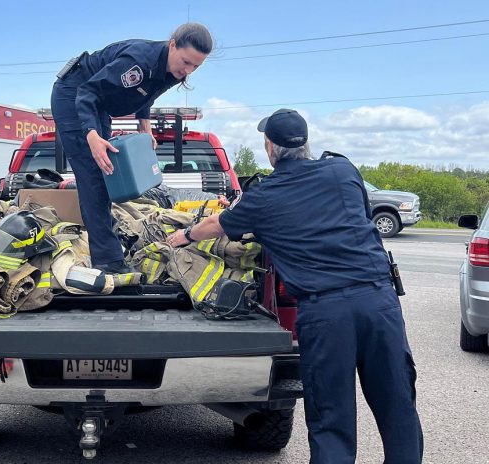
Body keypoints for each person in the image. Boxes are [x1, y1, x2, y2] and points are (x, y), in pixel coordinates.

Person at [166, 109, 423, 463]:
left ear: (270, 147)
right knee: (398, 406)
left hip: (326, 313)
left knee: (332, 420)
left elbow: (216, 226)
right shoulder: (343, 170)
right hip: (379, 302)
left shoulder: (263, 196)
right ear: (306, 143)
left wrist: (183, 234)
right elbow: (360, 218)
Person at [50, 23, 212, 274]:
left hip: (98, 103)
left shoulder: (172, 69)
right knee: (94, 174)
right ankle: (108, 261)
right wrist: (91, 135)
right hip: (74, 94)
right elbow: (87, 91)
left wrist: (144, 127)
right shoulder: (137, 62)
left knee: (108, 171)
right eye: (186, 62)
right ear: (172, 45)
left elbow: (148, 94)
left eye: (196, 66)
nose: (187, 71)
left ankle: (109, 242)